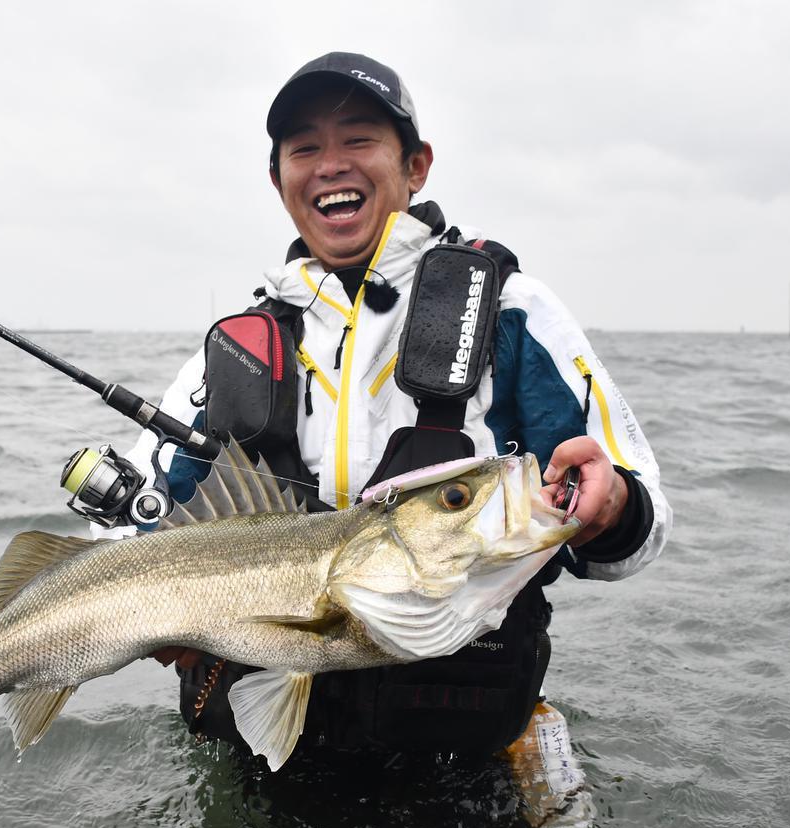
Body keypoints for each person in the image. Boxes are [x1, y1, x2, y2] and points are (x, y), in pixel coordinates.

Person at [111, 52, 671, 765]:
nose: (330, 164)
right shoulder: (236, 348)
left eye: (359, 140)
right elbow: (141, 529)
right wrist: (150, 618)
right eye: (304, 148)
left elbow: (640, 523)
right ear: (278, 179)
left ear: (416, 166)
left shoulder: (511, 309)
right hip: (268, 756)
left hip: (457, 753)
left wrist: (614, 503)